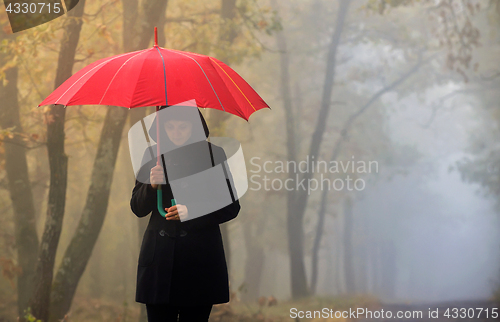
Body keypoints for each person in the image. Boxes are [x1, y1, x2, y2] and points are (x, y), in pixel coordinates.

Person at [130, 105, 240, 322]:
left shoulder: (213, 154)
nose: (176, 132)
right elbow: (137, 207)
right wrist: (151, 186)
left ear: (195, 126)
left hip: (199, 262)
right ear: (162, 128)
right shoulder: (152, 154)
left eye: (183, 127)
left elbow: (230, 206)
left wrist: (193, 211)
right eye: (170, 127)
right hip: (159, 262)